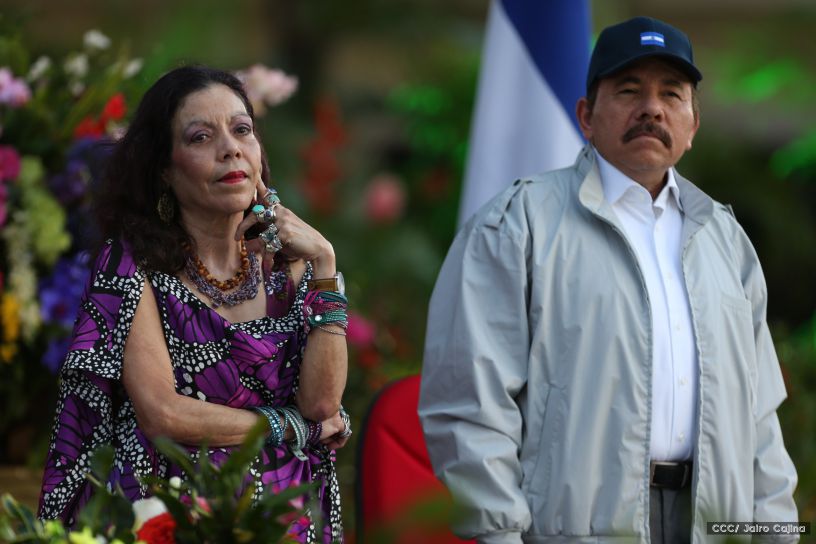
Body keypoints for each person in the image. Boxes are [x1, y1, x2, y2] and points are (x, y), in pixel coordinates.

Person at [419, 16, 799, 543]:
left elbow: (759, 420)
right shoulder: (518, 224)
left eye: (672, 94)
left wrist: (778, 533)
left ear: (693, 125)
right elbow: (469, 405)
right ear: (586, 116)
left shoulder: (726, 240)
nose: (652, 108)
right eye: (628, 90)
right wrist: (499, 534)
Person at [38, 65, 350, 543]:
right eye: (201, 137)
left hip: (286, 515)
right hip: (168, 514)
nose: (231, 149)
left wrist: (325, 263)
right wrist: (290, 427)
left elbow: (322, 403)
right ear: (164, 170)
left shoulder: (296, 265)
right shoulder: (131, 264)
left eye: (242, 130)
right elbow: (163, 415)